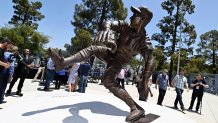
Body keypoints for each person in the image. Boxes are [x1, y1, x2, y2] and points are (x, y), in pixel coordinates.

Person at [48, 6, 153, 122]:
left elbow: (150, 60)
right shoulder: (125, 26)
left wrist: (145, 80)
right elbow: (109, 22)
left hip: (119, 61)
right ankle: (63, 63)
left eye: (135, 15)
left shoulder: (144, 40)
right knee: (93, 49)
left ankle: (135, 108)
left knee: (108, 81)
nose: (131, 16)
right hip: (111, 54)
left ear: (143, 19)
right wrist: (107, 29)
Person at [0, 38, 12, 104]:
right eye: (8, 46)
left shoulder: (2, 50)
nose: (8, 48)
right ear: (5, 43)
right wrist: (5, 64)